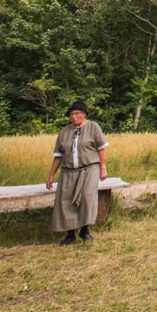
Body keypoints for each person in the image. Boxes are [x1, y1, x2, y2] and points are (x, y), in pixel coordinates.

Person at [47, 101, 109, 245]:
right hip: (68, 171)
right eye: (71, 114)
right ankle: (70, 234)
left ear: (84, 114)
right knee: (66, 200)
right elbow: (58, 156)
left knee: (87, 197)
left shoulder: (93, 127)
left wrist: (103, 168)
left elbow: (101, 148)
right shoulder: (64, 131)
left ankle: (84, 230)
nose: (74, 116)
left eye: (76, 113)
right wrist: (51, 175)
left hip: (89, 168)